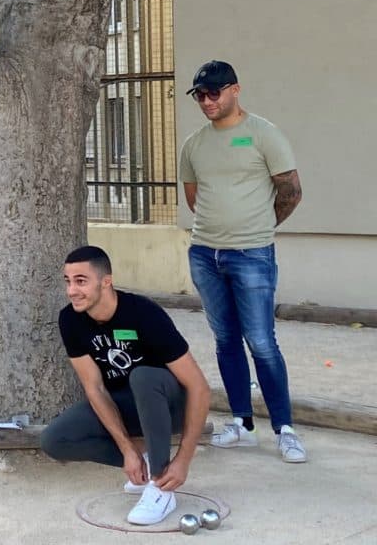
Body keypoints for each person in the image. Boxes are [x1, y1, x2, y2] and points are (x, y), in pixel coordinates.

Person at [179, 60, 307, 463]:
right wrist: (218, 230)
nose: (206, 101)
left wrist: (257, 228)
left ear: (235, 89)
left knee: (262, 342)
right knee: (225, 340)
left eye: (213, 93)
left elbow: (291, 192)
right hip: (205, 253)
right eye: (199, 95)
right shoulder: (194, 144)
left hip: (252, 254)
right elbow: (195, 198)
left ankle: (284, 429)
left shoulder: (263, 135)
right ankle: (242, 424)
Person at [41, 246, 211, 527]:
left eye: (81, 281)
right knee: (55, 440)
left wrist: (183, 460)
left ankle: (161, 486)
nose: (72, 290)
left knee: (143, 376)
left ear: (105, 281)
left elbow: (199, 388)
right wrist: (128, 452)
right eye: (68, 281)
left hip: (170, 404)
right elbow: (94, 388)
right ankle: (144, 460)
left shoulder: (144, 314)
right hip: (129, 405)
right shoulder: (70, 319)